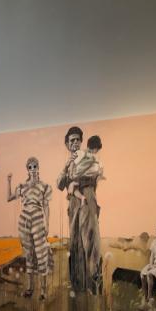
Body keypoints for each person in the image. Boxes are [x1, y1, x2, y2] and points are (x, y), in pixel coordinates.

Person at [57, 126, 103, 294]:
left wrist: (75, 183)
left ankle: (94, 284)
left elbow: (95, 175)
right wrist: (66, 168)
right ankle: (78, 285)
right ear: (67, 144)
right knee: (75, 243)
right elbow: (59, 184)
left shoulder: (87, 156)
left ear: (81, 141)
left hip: (87, 198)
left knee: (90, 240)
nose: (75, 142)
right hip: (73, 204)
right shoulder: (68, 163)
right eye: (72, 140)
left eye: (77, 139)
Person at [7, 157, 52, 299]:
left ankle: (43, 291)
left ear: (38, 167)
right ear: (27, 169)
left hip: (38, 220)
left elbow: (46, 206)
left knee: (41, 254)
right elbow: (9, 198)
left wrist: (47, 224)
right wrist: (9, 181)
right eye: (30, 167)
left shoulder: (44, 186)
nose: (33, 169)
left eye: (35, 166)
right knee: (29, 255)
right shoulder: (22, 186)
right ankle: (30, 288)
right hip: (24, 221)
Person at [68, 135, 103, 205]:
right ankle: (81, 197)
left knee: (75, 190)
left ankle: (81, 197)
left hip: (78, 179)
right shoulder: (94, 158)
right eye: (97, 150)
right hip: (86, 183)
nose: (97, 151)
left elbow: (72, 164)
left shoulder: (79, 153)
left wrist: (71, 175)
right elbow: (98, 171)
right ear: (95, 148)